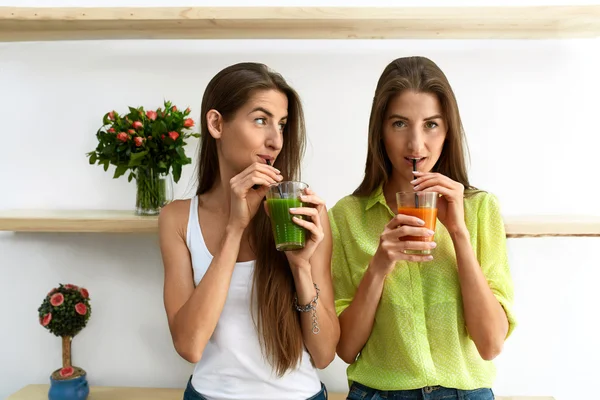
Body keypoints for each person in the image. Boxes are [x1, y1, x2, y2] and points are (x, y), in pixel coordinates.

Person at [329, 56, 517, 400]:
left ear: (448, 130)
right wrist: (378, 268)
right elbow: (345, 348)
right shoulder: (346, 216)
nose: (416, 145)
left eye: (431, 124)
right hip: (378, 394)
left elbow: (490, 344)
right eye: (400, 124)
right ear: (380, 131)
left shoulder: (480, 208)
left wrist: (459, 233)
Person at [158, 62, 339, 400]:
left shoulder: (304, 213)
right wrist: (234, 230)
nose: (275, 141)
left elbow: (325, 353)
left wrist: (300, 267)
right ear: (216, 124)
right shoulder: (178, 219)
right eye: (260, 120)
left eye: (282, 125)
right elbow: (190, 345)